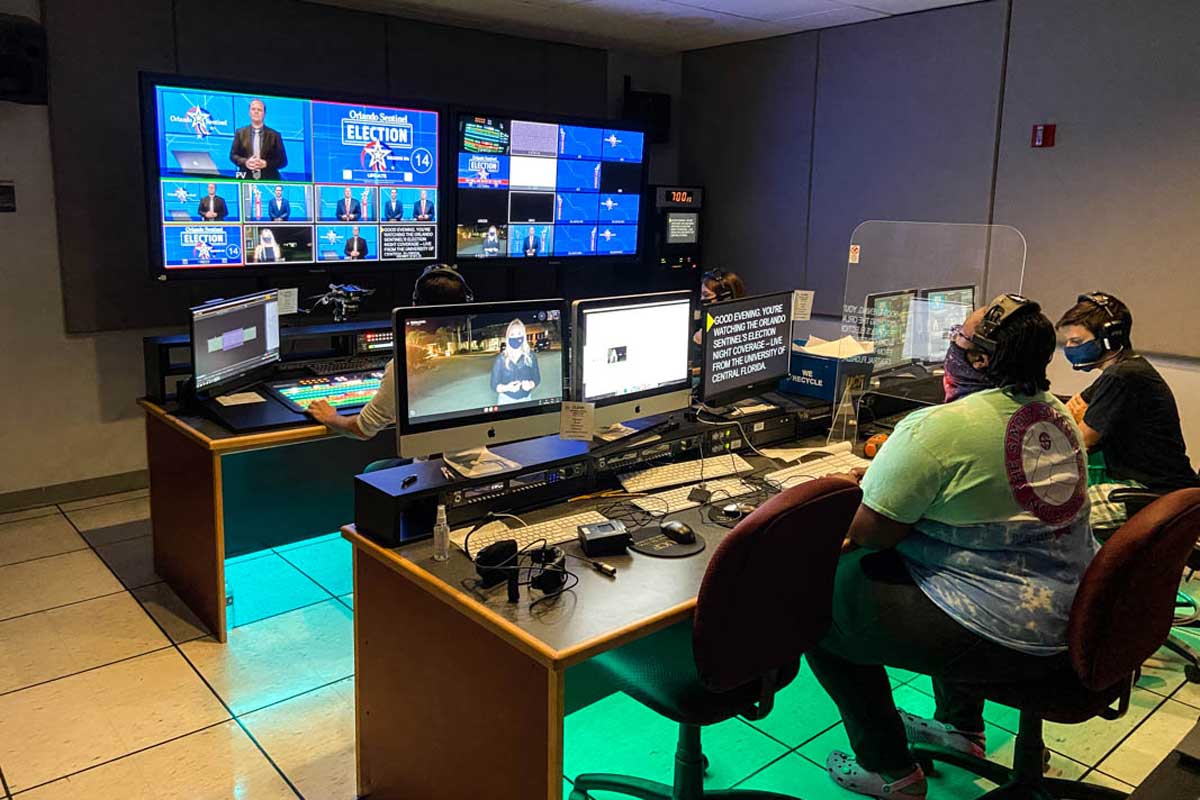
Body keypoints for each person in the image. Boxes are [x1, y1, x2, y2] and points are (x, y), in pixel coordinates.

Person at [807, 296, 1096, 800]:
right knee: (943, 571)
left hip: (1006, 627)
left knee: (819, 611)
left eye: (959, 340)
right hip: (1075, 611)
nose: (952, 350)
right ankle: (962, 732)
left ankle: (889, 770)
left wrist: (858, 489)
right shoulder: (1056, 413)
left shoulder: (937, 427)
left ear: (980, 359)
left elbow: (873, 533)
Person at [1057, 292, 1198, 532]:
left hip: (1152, 495)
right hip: (1156, 489)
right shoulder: (1125, 369)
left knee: (1049, 521)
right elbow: (1071, 409)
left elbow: (1079, 442)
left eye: (1077, 342)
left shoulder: (1122, 376)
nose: (1068, 348)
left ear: (1110, 338)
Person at [307, 266, 472, 439]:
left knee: (375, 468)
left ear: (414, 306)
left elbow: (362, 429)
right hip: (481, 455)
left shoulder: (406, 366)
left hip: (430, 462)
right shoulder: (484, 354)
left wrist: (331, 417)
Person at [228, 98, 287, 180]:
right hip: (245, 178)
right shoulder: (240, 133)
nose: (256, 112)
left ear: (264, 113)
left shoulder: (275, 135)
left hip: (269, 178)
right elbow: (233, 156)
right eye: (253, 109)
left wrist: (266, 164)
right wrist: (246, 162)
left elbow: (283, 161)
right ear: (249, 112)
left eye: (259, 110)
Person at [491, 319, 541, 404]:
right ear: (508, 337)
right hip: (505, 401)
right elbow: (494, 385)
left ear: (524, 336)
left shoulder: (530, 356)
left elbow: (537, 379)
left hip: (526, 400)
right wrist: (507, 388)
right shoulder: (501, 359)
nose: (516, 337)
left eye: (519, 334)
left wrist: (530, 385)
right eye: (512, 334)